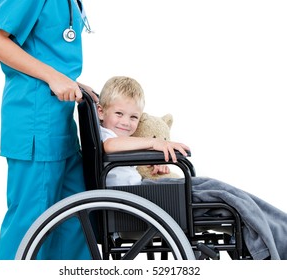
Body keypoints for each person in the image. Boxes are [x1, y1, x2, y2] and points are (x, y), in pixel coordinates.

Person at [97, 76, 287, 260]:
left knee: (213, 186)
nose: (125, 122)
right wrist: (153, 144)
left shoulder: (117, 139)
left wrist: (149, 163)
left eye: (133, 117)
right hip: (135, 209)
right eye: (119, 114)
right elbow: (111, 145)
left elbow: (120, 156)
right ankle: (275, 241)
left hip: (141, 198)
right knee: (221, 196)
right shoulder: (105, 137)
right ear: (101, 111)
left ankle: (280, 229)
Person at [0, 0, 98, 260]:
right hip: (36, 122)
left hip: (60, 124)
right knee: (32, 227)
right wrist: (54, 77)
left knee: (76, 222)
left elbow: (46, 49)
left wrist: (70, 81)